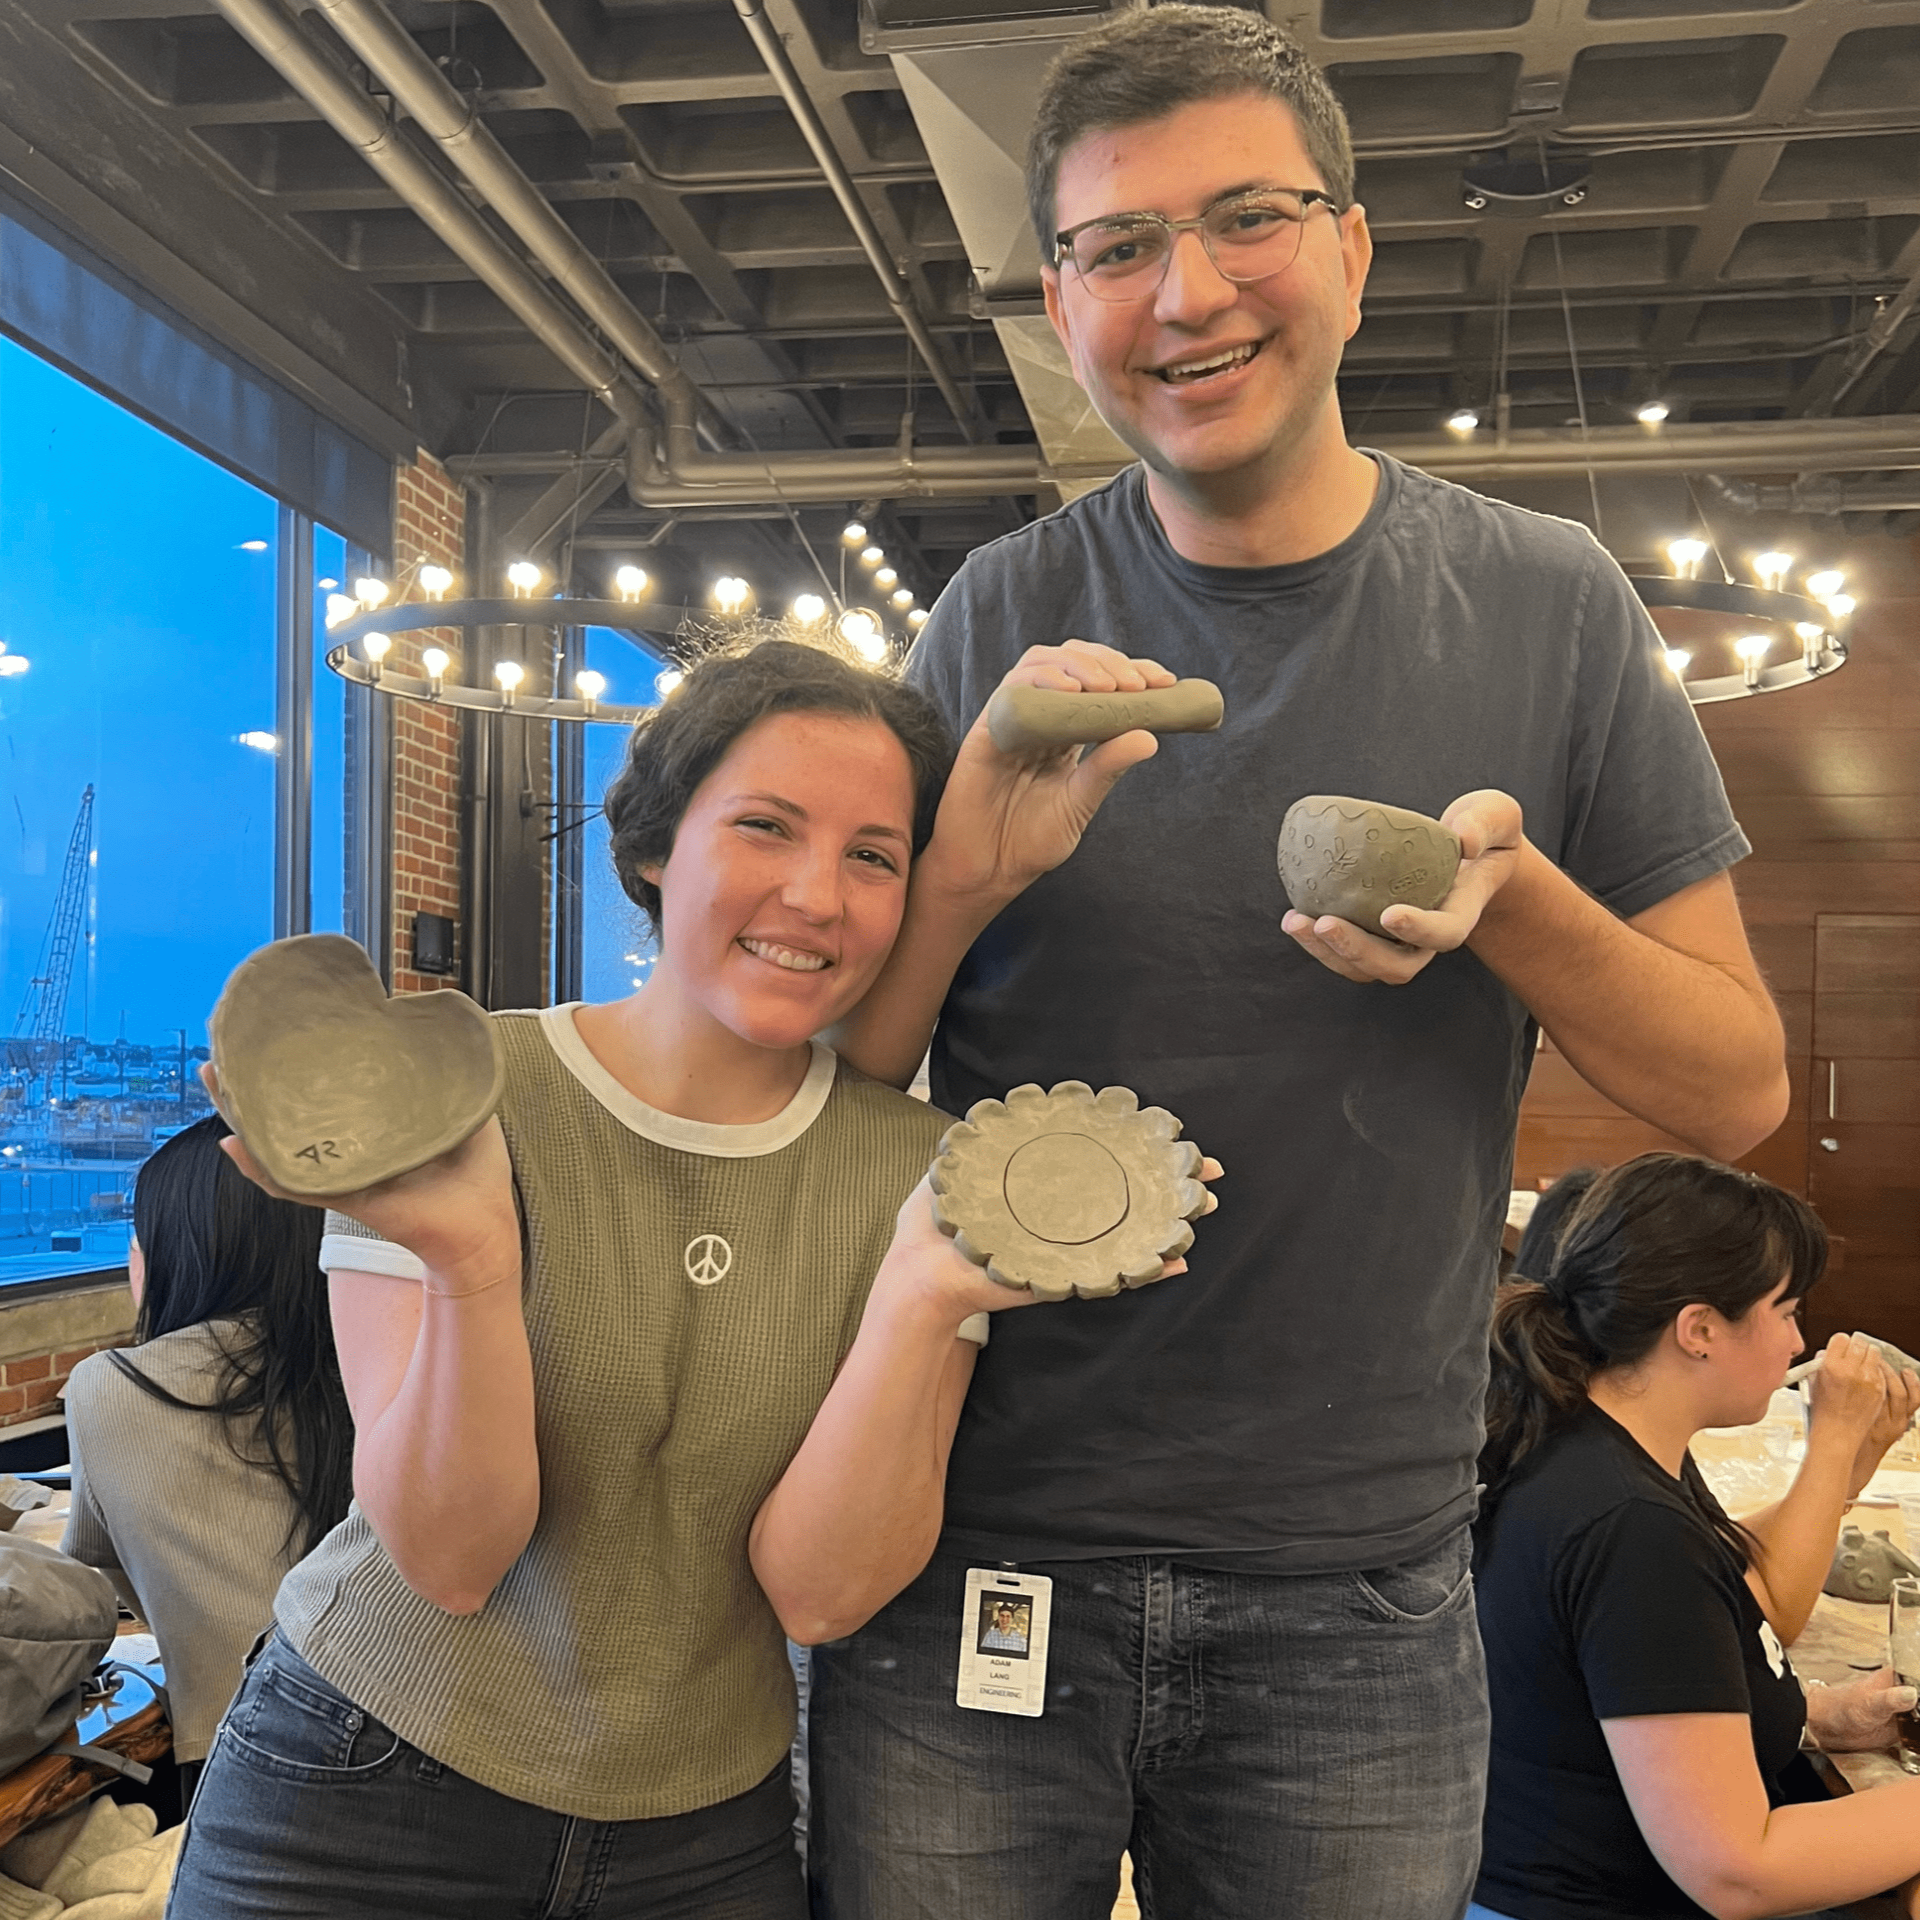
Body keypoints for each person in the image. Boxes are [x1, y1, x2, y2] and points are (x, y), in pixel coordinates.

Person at [811, 7, 1789, 1915]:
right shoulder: (998, 619)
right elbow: (837, 1086)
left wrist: (1519, 905)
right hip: (980, 1547)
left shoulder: (1550, 606)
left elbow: (1736, 1087)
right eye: (1116, 246)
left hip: (1360, 1590)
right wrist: (957, 886)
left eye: (1245, 217)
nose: (1187, 293)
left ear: (1349, 247)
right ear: (1060, 300)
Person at [166, 638, 1209, 1920]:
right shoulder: (459, 1094)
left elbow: (819, 1596)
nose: (817, 897)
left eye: (873, 856)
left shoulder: (926, 1173)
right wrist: (471, 1260)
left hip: (702, 1838)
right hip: (362, 1786)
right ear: (658, 845)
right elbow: (448, 1559)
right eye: (766, 827)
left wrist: (920, 1302)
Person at [1472, 1152, 1920, 1920]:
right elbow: (1737, 1872)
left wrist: (1811, 1713)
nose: (1797, 1342)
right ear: (1701, 1329)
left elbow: (1704, 1624)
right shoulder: (1629, 1526)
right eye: (1786, 1311)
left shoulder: (1598, 1443)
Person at [62, 1113, 353, 1807]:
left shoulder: (112, 1386)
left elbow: (89, 1584)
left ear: (173, 1251)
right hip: (426, 1751)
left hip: (244, 1762)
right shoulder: (360, 1368)